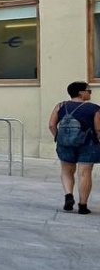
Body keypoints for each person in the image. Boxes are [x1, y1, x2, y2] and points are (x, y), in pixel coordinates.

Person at [49, 81, 100, 214]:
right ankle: (83, 206)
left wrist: (58, 138)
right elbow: (98, 129)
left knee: (66, 171)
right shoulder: (94, 108)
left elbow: (51, 125)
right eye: (89, 90)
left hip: (65, 145)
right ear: (81, 92)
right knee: (84, 174)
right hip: (88, 145)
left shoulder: (60, 106)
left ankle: (68, 196)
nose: (90, 93)